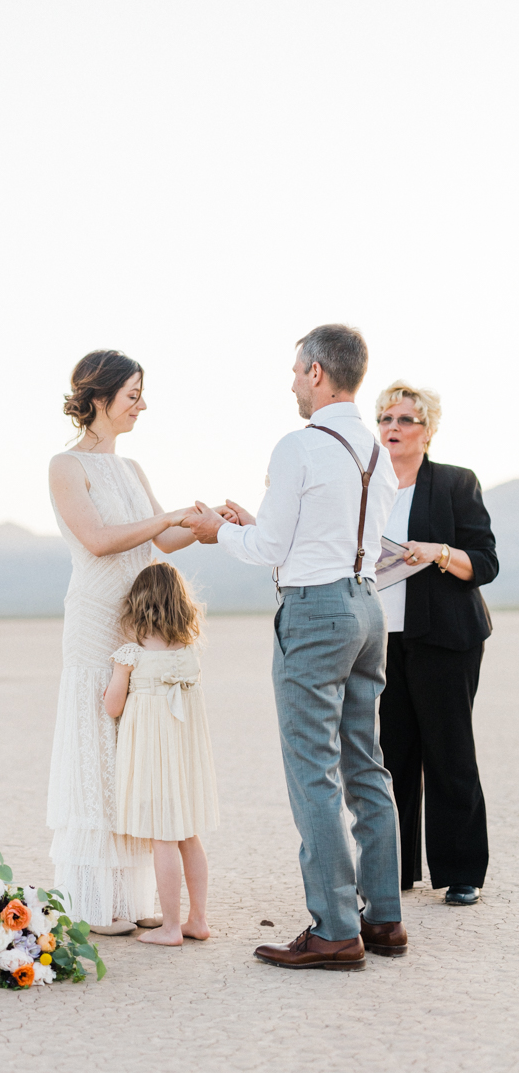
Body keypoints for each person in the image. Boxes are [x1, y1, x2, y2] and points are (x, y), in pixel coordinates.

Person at [184, 324, 407, 970]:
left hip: (314, 615)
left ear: (315, 372)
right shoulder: (372, 450)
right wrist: (257, 528)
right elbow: (324, 536)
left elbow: (269, 552)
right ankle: (383, 918)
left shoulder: (298, 446)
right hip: (367, 608)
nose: (289, 382)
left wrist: (214, 532)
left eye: (293, 371)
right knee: (365, 764)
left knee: (312, 770)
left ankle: (335, 929)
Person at [47, 349, 232, 935]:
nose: (142, 406)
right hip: (95, 621)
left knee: (139, 750)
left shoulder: (132, 470)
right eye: (133, 396)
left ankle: (141, 896)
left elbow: (167, 540)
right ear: (98, 398)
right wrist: (165, 520)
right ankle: (97, 901)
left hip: (141, 625)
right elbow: (99, 540)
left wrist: (210, 524)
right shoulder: (65, 465)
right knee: (96, 744)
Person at [375, 381, 498, 906]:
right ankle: (396, 873)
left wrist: (438, 552)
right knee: (392, 756)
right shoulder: (366, 489)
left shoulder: (454, 483)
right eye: (385, 419)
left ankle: (461, 871)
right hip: (379, 640)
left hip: (447, 638)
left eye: (405, 420)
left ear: (428, 431)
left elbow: (485, 564)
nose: (393, 429)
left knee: (449, 753)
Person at [104, 563, 219, 947]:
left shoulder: (130, 654)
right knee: (189, 835)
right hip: (185, 757)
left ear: (139, 605)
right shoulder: (188, 653)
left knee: (162, 839)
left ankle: (170, 928)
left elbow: (113, 707)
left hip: (153, 756)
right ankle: (197, 919)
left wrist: (113, 683)